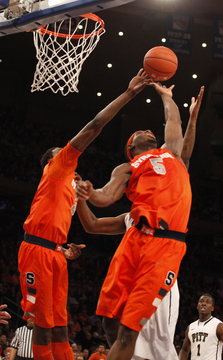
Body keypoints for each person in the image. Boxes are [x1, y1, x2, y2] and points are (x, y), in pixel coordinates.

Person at [18, 69, 149, 360]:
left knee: (61, 330)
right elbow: (94, 125)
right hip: (36, 253)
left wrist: (64, 250)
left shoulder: (71, 187)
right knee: (41, 328)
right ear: (52, 161)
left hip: (53, 253)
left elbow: (82, 219)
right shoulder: (56, 169)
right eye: (62, 152)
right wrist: (129, 94)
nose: (70, 156)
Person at [76, 82, 204, 360]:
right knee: (109, 320)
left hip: (164, 245)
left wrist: (167, 96)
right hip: (134, 238)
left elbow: (173, 120)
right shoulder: (127, 168)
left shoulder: (172, 155)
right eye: (140, 133)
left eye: (150, 131)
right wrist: (88, 194)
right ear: (130, 147)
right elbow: (105, 197)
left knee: (129, 332)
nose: (148, 131)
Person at [179, 294, 223, 360]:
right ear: (197, 306)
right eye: (201, 301)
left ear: (212, 308)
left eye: (207, 302)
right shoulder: (191, 327)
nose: (203, 303)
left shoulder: (219, 326)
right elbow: (184, 350)